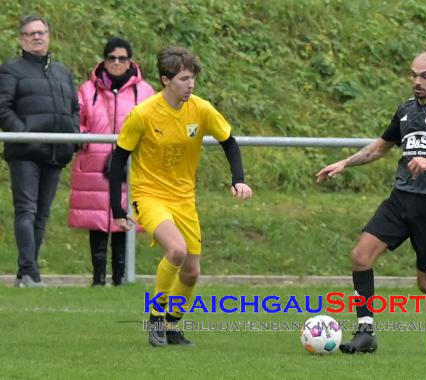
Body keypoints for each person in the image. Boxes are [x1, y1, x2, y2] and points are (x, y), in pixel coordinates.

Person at [316, 51, 426, 354]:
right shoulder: (405, 110)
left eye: (425, 76)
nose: (417, 81)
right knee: (361, 256)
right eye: (414, 75)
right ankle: (366, 332)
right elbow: (380, 148)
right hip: (400, 199)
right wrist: (344, 163)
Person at [109, 47, 252, 346]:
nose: (191, 85)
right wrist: (117, 207)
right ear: (165, 80)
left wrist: (238, 179)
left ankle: (172, 327)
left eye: (193, 78)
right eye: (184, 79)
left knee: (191, 271)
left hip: (183, 198)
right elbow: (118, 158)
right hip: (149, 195)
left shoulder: (200, 109)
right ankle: (156, 318)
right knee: (176, 251)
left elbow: (229, 141)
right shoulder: (143, 114)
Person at [0, 15, 80, 288]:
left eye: (41, 32)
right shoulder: (11, 70)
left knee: (42, 213)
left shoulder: (61, 72)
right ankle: (31, 271)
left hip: (56, 152)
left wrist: (73, 138)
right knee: (26, 210)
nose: (37, 37)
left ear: (48, 35)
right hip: (25, 154)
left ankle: (27, 274)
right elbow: (3, 108)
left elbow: (73, 109)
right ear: (22, 39)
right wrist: (24, 135)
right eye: (30, 33)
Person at [68, 37, 154, 287]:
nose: (117, 63)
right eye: (112, 58)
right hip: (94, 166)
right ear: (104, 60)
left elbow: (152, 125)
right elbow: (77, 121)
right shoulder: (86, 90)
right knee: (95, 222)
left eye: (122, 58)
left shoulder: (145, 91)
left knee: (123, 219)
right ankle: (97, 279)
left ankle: (120, 279)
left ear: (130, 61)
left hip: (130, 165)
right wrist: (88, 142)